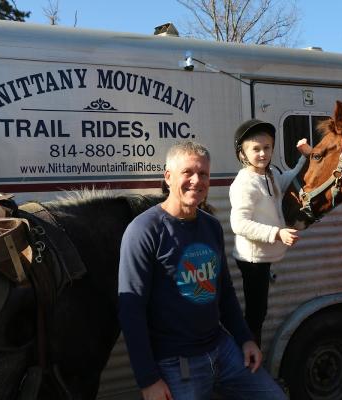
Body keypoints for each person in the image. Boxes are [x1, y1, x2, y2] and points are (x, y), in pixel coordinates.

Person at [118, 141, 287, 400]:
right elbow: (131, 311)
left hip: (222, 348)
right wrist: (148, 379)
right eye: (188, 172)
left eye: (204, 174)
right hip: (177, 362)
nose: (197, 181)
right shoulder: (144, 231)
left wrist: (244, 338)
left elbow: (225, 292)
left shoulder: (211, 226)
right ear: (168, 177)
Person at [230, 119, 312, 346]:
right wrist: (277, 233)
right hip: (252, 259)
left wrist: (305, 157)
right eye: (255, 149)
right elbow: (239, 224)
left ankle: (250, 351)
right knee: (256, 314)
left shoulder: (270, 174)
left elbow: (291, 179)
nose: (263, 154)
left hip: (264, 257)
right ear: (242, 154)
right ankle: (249, 355)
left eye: (267, 148)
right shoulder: (245, 183)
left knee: (259, 311)